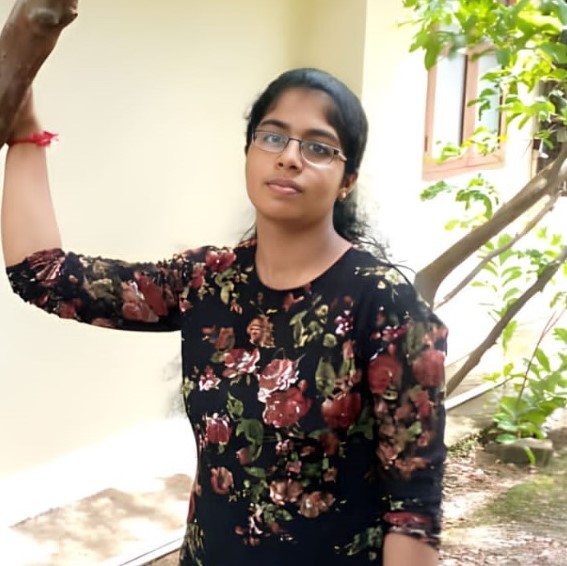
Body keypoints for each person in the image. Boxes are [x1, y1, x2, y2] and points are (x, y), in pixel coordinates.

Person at [2, 68, 447, 566]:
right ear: (249, 152)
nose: (289, 157)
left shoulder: (383, 303)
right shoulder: (208, 281)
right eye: (273, 136)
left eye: (318, 147)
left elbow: (413, 514)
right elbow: (44, 276)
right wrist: (24, 134)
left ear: (348, 181)